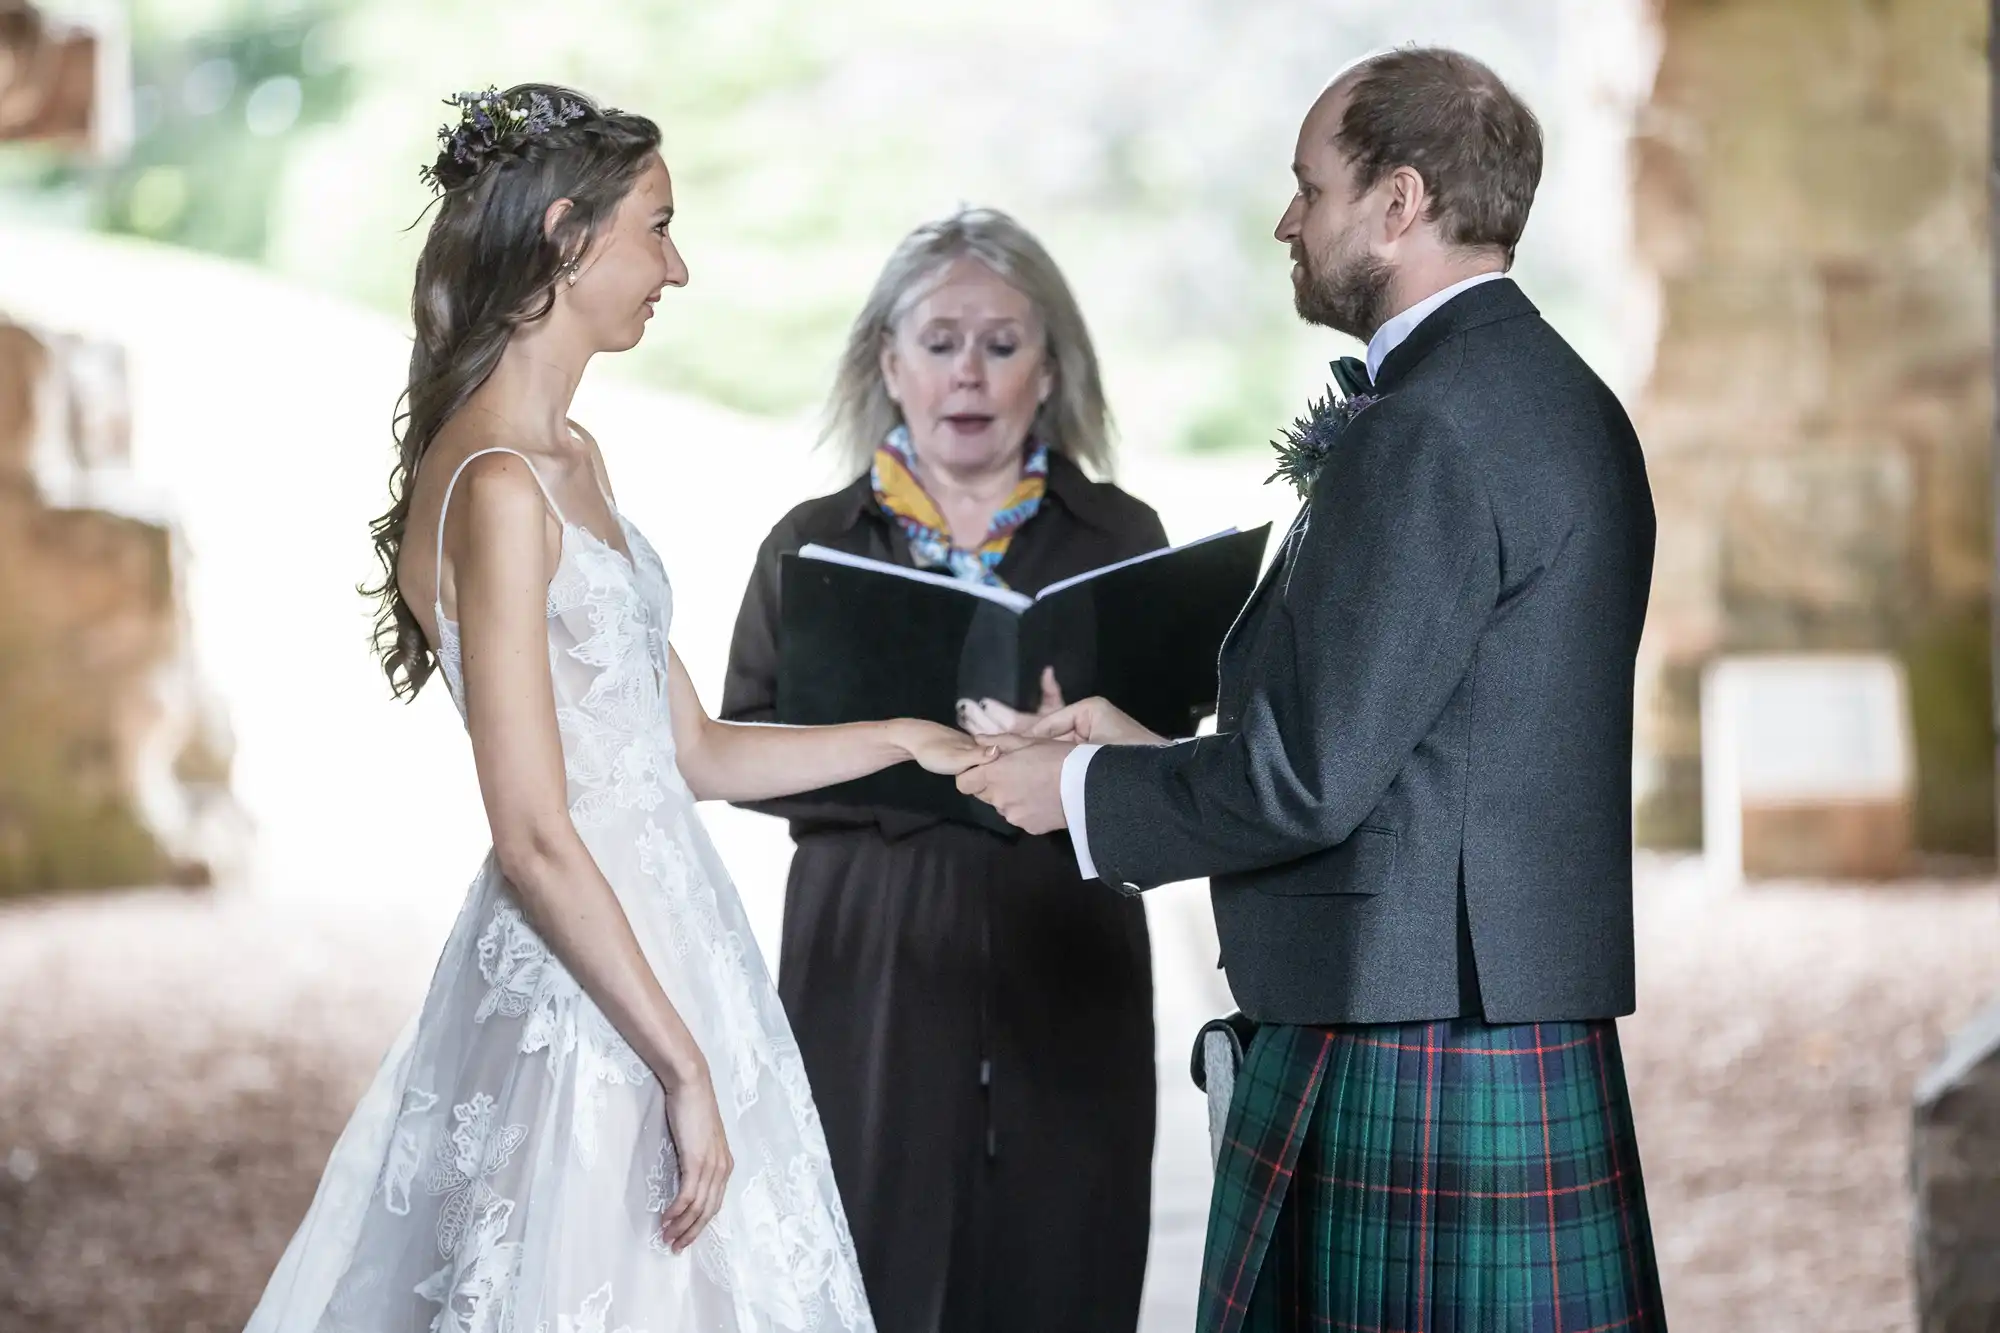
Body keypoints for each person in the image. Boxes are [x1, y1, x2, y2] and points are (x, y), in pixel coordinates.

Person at [242, 84, 982, 1333]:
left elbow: (685, 751)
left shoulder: (574, 460)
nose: (675, 267)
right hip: (594, 994)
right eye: (657, 226)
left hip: (676, 943)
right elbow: (533, 830)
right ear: (566, 235)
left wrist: (905, 739)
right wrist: (680, 1062)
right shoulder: (493, 486)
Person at [961, 48, 1667, 1333]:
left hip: (1407, 1023)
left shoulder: (1425, 424)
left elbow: (1308, 779)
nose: (1287, 220)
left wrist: (1069, 786)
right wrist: (1136, 744)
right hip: (1493, 1006)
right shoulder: (1560, 397)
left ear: (1398, 204)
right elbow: (1432, 731)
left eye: (1308, 187)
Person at [720, 208, 1164, 1333]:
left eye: (1002, 344)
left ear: (1049, 369)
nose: (968, 373)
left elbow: (1182, 779)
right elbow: (740, 747)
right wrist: (910, 755)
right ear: (888, 360)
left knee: (1065, 1264)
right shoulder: (809, 544)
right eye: (938, 340)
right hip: (866, 955)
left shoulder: (1119, 534)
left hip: (1067, 956)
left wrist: (1090, 752)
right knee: (863, 1263)